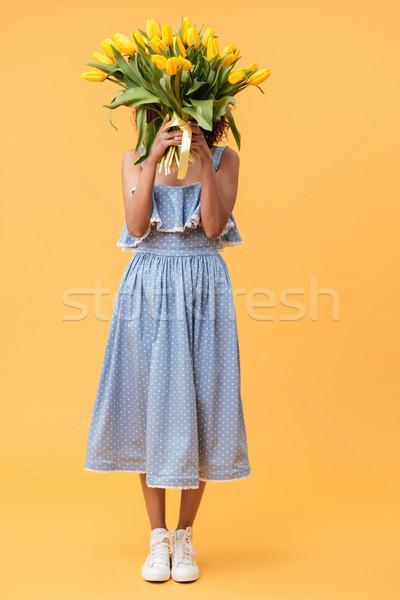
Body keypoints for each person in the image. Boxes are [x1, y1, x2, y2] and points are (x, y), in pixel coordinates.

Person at [84, 109, 251, 583]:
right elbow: (136, 229)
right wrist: (155, 156)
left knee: (203, 404)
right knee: (148, 403)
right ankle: (157, 537)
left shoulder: (224, 158)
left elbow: (215, 228)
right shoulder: (136, 158)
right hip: (148, 287)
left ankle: (184, 536)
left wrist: (200, 154)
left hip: (204, 286)